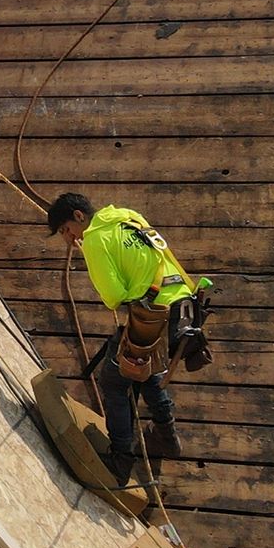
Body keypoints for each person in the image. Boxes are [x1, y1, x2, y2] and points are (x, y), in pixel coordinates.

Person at [48, 191, 196, 483]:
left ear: (79, 216)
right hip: (185, 306)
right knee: (145, 371)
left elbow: (113, 297)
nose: (68, 238)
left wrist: (92, 254)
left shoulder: (94, 240)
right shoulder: (128, 216)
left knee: (114, 382)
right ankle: (167, 436)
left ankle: (120, 461)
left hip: (154, 314)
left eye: (66, 229)